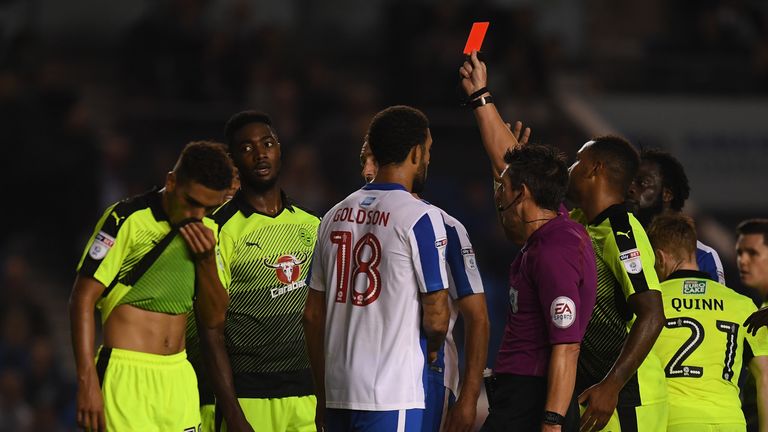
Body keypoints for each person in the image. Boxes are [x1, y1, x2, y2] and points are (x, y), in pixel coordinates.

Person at [460, 50, 667, 432]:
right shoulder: (578, 224)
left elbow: (652, 313)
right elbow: (519, 175)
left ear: (596, 170)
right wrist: (481, 97)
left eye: (577, 161)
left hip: (626, 396)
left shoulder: (620, 230)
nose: (569, 167)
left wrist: (613, 385)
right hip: (586, 388)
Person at [459, 57, 598, 432]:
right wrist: (480, 96)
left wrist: (551, 423)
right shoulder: (553, 230)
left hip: (532, 398)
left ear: (522, 194)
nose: (497, 195)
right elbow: (509, 166)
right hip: (522, 394)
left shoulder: (555, 250)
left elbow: (567, 345)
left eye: (502, 189)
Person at [303, 105, 451, 432]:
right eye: (427, 151)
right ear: (415, 153)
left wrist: (323, 392)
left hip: (338, 391)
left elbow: (312, 316)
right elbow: (438, 316)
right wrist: (434, 349)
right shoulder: (420, 218)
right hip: (390, 394)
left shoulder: (333, 215)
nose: (427, 159)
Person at [70, 141, 234, 432]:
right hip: (125, 375)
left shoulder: (209, 232)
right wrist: (87, 382)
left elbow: (215, 318)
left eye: (207, 207)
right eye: (192, 202)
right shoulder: (126, 219)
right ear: (171, 181)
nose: (197, 214)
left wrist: (207, 259)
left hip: (179, 378)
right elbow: (82, 298)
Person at [186, 111, 321, 432]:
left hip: (309, 396)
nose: (260, 153)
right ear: (232, 160)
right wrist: (232, 412)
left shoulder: (312, 225)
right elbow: (210, 329)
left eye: (268, 143)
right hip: (249, 398)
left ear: (280, 150)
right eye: (247, 148)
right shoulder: (218, 230)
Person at [358, 141, 489, 432]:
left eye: (375, 160)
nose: (367, 170)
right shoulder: (349, 224)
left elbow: (477, 317)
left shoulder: (446, 227)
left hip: (427, 378)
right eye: (363, 160)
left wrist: (469, 397)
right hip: (365, 380)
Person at [647, 214, 768, 432]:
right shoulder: (742, 304)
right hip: (730, 422)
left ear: (660, 257)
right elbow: (765, 375)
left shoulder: (651, 303)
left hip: (674, 420)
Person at [626, 148, 725, 283]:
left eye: (643, 183)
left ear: (667, 194)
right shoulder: (620, 246)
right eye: (629, 182)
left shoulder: (703, 256)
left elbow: (716, 301)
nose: (630, 188)